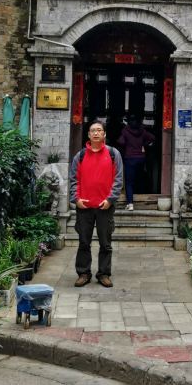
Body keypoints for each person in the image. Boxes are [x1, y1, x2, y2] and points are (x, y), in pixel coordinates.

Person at [69, 119, 123, 288]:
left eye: (99, 130)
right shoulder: (80, 156)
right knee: (84, 242)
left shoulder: (113, 154)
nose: (96, 133)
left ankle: (104, 274)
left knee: (105, 243)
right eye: (93, 130)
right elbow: (73, 180)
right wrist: (76, 199)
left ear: (104, 134)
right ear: (88, 134)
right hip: (84, 207)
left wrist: (110, 199)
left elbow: (118, 179)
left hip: (104, 206)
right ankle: (83, 273)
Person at [117, 115, 155, 211]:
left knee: (129, 182)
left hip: (130, 158)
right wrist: (144, 144)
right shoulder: (142, 131)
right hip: (141, 158)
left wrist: (125, 144)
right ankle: (141, 198)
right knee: (139, 179)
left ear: (129, 122)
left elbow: (121, 142)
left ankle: (130, 204)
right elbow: (152, 138)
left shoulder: (125, 131)